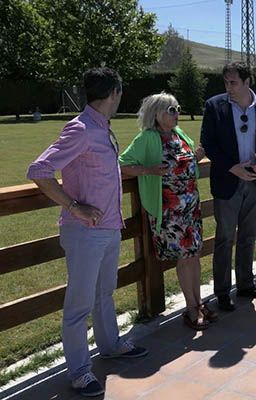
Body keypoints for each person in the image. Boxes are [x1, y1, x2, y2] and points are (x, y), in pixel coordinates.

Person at [26, 67, 148, 397]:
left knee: (104, 292)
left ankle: (110, 345)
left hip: (108, 228)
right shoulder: (80, 129)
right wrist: (73, 206)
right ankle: (80, 371)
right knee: (79, 305)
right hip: (84, 232)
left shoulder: (102, 128)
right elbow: (39, 170)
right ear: (114, 93)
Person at [119, 93, 215, 330]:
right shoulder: (147, 138)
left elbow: (184, 163)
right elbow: (121, 164)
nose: (176, 113)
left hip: (190, 207)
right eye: (171, 110)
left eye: (177, 108)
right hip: (169, 210)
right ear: (156, 114)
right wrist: (148, 170)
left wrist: (197, 157)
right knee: (184, 257)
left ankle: (198, 302)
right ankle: (191, 308)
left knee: (194, 255)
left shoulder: (178, 134)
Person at [200, 62, 256, 311]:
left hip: (255, 182)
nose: (228, 87)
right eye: (226, 82)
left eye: (233, 82)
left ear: (247, 82)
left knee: (248, 236)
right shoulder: (214, 105)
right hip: (228, 181)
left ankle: (246, 285)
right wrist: (231, 167)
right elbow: (208, 143)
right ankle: (222, 292)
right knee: (225, 238)